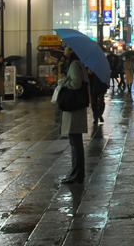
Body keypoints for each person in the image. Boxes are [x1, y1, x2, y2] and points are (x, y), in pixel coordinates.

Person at [58, 45, 90, 184]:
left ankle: (77, 174)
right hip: (78, 106)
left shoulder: (73, 65)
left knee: (75, 142)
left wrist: (63, 81)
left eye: (66, 49)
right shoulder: (79, 64)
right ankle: (76, 173)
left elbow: (76, 83)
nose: (64, 51)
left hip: (74, 106)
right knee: (76, 142)